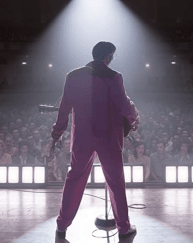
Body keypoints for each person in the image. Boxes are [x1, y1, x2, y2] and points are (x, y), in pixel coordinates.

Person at [50, 41, 139, 239]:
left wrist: (57, 133)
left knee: (74, 180)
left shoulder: (72, 76)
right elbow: (124, 106)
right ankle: (123, 228)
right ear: (108, 57)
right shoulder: (114, 77)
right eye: (112, 57)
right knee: (115, 182)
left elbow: (64, 108)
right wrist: (134, 118)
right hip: (108, 137)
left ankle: (61, 227)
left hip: (82, 137)